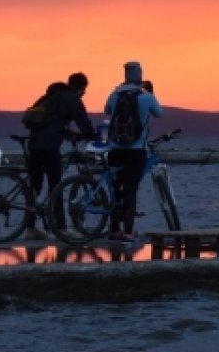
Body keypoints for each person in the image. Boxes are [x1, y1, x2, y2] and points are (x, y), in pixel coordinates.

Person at [26, 72, 95, 239]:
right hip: (49, 147)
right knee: (56, 186)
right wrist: (90, 134)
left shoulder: (50, 97)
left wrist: (68, 133)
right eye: (84, 91)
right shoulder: (72, 99)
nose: (83, 94)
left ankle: (30, 227)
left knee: (35, 185)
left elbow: (51, 123)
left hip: (34, 144)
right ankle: (61, 228)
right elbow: (83, 121)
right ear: (81, 88)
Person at [103, 61, 164, 245]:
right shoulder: (146, 97)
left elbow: (107, 112)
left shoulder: (115, 94)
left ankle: (114, 230)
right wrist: (151, 93)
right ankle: (128, 233)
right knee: (130, 191)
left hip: (115, 150)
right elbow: (159, 114)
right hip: (136, 151)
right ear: (140, 76)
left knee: (115, 189)